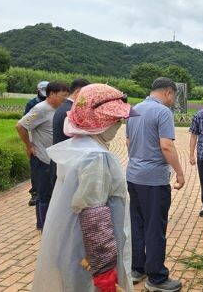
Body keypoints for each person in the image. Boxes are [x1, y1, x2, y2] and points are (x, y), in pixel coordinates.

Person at [33, 84, 133, 292]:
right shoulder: (95, 156)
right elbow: (94, 217)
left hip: (73, 246)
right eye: (116, 121)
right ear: (101, 121)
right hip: (89, 257)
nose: (118, 126)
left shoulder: (76, 147)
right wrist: (104, 272)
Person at [126, 77, 185, 292]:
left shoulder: (134, 110)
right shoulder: (163, 112)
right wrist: (179, 173)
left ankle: (137, 268)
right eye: (174, 96)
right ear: (169, 92)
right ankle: (156, 278)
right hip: (153, 180)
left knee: (137, 223)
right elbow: (166, 146)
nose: (173, 100)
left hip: (133, 176)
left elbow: (128, 142)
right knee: (155, 227)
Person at [16, 81, 69, 230]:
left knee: (47, 192)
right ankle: (45, 227)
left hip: (53, 158)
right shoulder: (40, 109)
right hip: (42, 158)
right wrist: (29, 146)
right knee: (44, 193)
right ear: (51, 94)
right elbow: (20, 126)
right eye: (63, 96)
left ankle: (43, 224)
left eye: (67, 96)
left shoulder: (57, 109)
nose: (65, 99)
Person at [50, 78, 90, 190]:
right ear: (77, 92)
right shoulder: (72, 111)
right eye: (86, 94)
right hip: (66, 167)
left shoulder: (62, 108)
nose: (88, 99)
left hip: (59, 163)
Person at [25, 80, 49, 206]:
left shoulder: (54, 104)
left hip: (50, 143)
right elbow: (24, 125)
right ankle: (35, 193)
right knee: (36, 169)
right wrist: (28, 146)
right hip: (36, 142)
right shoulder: (32, 104)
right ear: (37, 91)